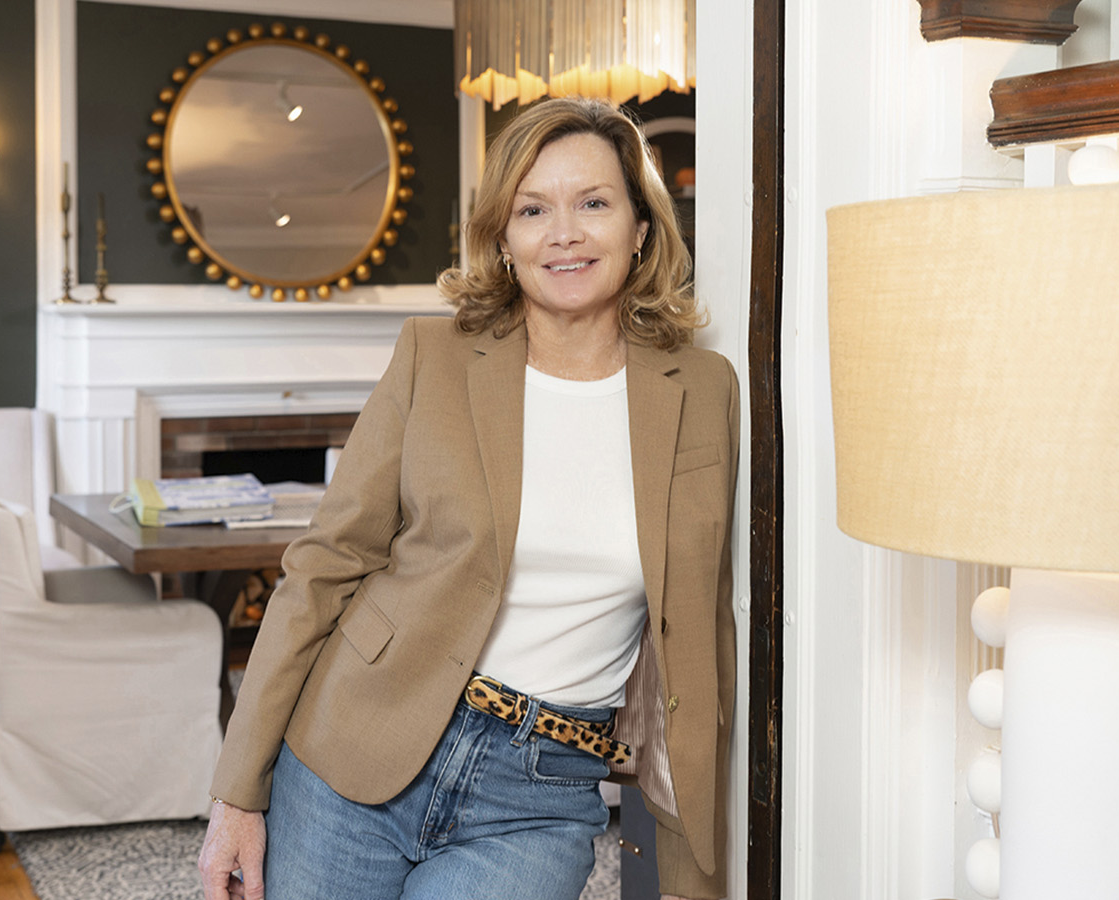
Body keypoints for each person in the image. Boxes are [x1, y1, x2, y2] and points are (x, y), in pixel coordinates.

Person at [198, 96, 738, 900]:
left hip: (541, 793)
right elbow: (324, 567)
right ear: (505, 237)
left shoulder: (703, 388)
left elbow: (705, 619)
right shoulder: (433, 357)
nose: (564, 232)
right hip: (358, 741)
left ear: (642, 229)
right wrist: (235, 794)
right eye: (533, 209)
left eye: (594, 202)